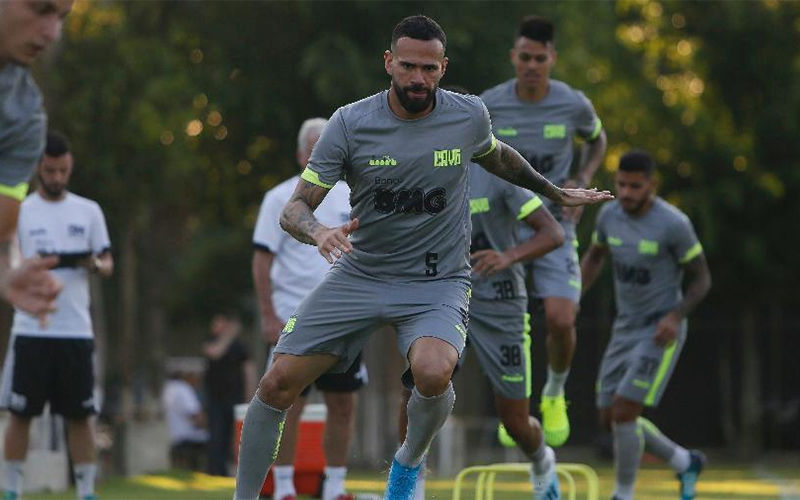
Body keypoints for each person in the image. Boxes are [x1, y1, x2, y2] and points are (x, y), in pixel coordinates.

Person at [233, 15, 611, 500]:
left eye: (429, 69)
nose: (418, 78)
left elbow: (499, 156)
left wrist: (554, 190)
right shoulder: (349, 123)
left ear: (443, 68)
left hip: (437, 281)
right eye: (408, 66)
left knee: (433, 373)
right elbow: (295, 209)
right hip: (361, 273)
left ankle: (407, 464)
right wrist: (319, 231)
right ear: (388, 62)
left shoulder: (467, 116)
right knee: (276, 383)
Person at [398, 132, 568, 499]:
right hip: (442, 299)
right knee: (416, 388)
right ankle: (411, 488)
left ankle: (541, 460)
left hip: (500, 304)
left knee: (515, 421)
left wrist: (508, 256)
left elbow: (553, 234)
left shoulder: (499, 173)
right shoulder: (417, 173)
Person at [479, 15, 608, 447]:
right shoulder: (490, 104)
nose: (532, 65)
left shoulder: (573, 104)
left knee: (561, 317)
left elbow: (597, 139)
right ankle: (512, 404)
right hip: (503, 226)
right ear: (513, 57)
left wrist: (582, 177)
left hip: (554, 222)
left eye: (540, 58)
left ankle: (553, 392)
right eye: (525, 57)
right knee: (504, 321)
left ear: (552, 58)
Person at [580, 150, 711, 500]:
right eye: (621, 184)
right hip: (624, 327)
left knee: (625, 411)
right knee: (609, 417)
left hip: (659, 330)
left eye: (635, 186)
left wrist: (675, 316)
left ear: (652, 185)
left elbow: (702, 279)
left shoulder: (674, 224)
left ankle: (623, 494)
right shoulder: (608, 216)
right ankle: (684, 461)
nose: (626, 192)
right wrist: (573, 294)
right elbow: (595, 256)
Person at [253, 118, 367, 500]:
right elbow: (262, 260)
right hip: (294, 319)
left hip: (344, 320)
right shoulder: (280, 199)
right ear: (301, 155)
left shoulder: (354, 195)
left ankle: (335, 487)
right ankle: (285, 487)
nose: (321, 155)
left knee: (343, 403)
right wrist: (268, 315)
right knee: (287, 404)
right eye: (314, 149)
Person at [0, 131, 113, 500]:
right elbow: (7, 261)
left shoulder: (89, 211)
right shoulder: (20, 210)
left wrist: (92, 264)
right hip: (31, 329)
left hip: (75, 330)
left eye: (63, 170)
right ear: (38, 168)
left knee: (81, 415)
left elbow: (107, 262)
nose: (57, 177)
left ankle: (85, 491)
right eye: (50, 171)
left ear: (70, 166)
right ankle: (12, 489)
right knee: (20, 413)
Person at [0, 0, 73, 322]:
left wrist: (6, 276)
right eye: (41, 9)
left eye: (61, 17)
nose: (52, 33)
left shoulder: (23, 121)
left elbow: (2, 233)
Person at [202, 311, 256, 477]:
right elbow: (214, 353)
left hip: (235, 398)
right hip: (215, 398)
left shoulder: (239, 347)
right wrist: (229, 336)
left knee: (234, 437)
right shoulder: (210, 342)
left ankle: (231, 471)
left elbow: (249, 371)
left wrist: (250, 396)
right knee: (216, 435)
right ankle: (215, 470)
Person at [162, 358, 208, 472]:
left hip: (176, 438)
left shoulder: (168, 388)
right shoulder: (184, 389)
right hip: (191, 438)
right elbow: (196, 416)